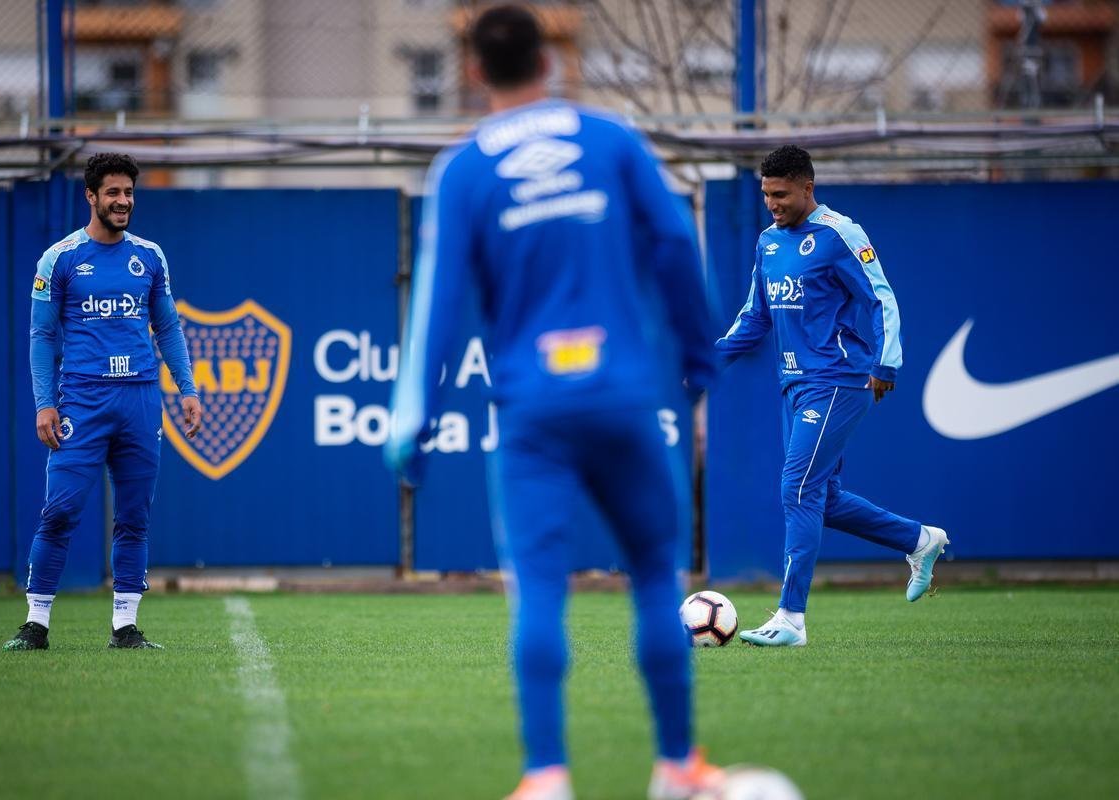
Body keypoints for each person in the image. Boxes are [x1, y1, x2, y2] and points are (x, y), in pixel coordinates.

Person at [385, 6, 726, 800]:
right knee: (653, 576)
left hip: (533, 412)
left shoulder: (464, 170)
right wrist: (701, 356)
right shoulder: (611, 140)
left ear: (474, 72)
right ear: (549, 60)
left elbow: (436, 306)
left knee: (537, 588)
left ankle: (547, 778)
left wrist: (416, 420)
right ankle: (677, 766)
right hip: (621, 396)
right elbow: (676, 244)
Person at [715, 145, 948, 648]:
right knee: (822, 500)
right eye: (766, 195)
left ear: (807, 188)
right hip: (794, 384)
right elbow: (755, 314)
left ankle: (791, 619)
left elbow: (881, 297)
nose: (773, 203)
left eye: (781, 194)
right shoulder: (768, 243)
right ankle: (918, 540)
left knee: (796, 489)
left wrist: (887, 363)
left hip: (841, 380)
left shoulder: (840, 233)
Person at [4, 153, 201, 652]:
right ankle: (35, 624)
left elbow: (168, 327)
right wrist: (44, 403)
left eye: (128, 192)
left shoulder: (149, 257)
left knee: (135, 515)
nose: (122, 201)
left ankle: (125, 627)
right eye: (112, 192)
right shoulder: (59, 258)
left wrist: (188, 389)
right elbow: (42, 335)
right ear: (90, 196)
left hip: (139, 398)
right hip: (82, 401)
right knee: (61, 510)